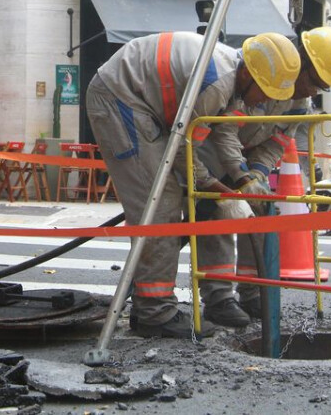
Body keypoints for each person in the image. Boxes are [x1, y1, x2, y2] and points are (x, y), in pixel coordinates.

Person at [86, 31, 301, 338]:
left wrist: (234, 181)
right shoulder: (217, 84)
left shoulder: (231, 83)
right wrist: (217, 189)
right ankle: (155, 312)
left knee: (167, 196)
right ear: (249, 74)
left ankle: (151, 304)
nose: (265, 101)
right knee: (160, 201)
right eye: (265, 92)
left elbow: (197, 145)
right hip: (120, 97)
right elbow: (184, 150)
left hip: (138, 100)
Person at [195, 27, 331, 326]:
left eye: (322, 87)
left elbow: (275, 145)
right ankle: (218, 298)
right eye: (313, 81)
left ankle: (253, 292)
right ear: (301, 62)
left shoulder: (299, 105)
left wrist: (255, 175)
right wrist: (238, 178)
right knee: (217, 216)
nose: (313, 91)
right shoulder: (261, 78)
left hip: (243, 163)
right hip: (212, 156)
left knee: (261, 212)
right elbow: (225, 132)